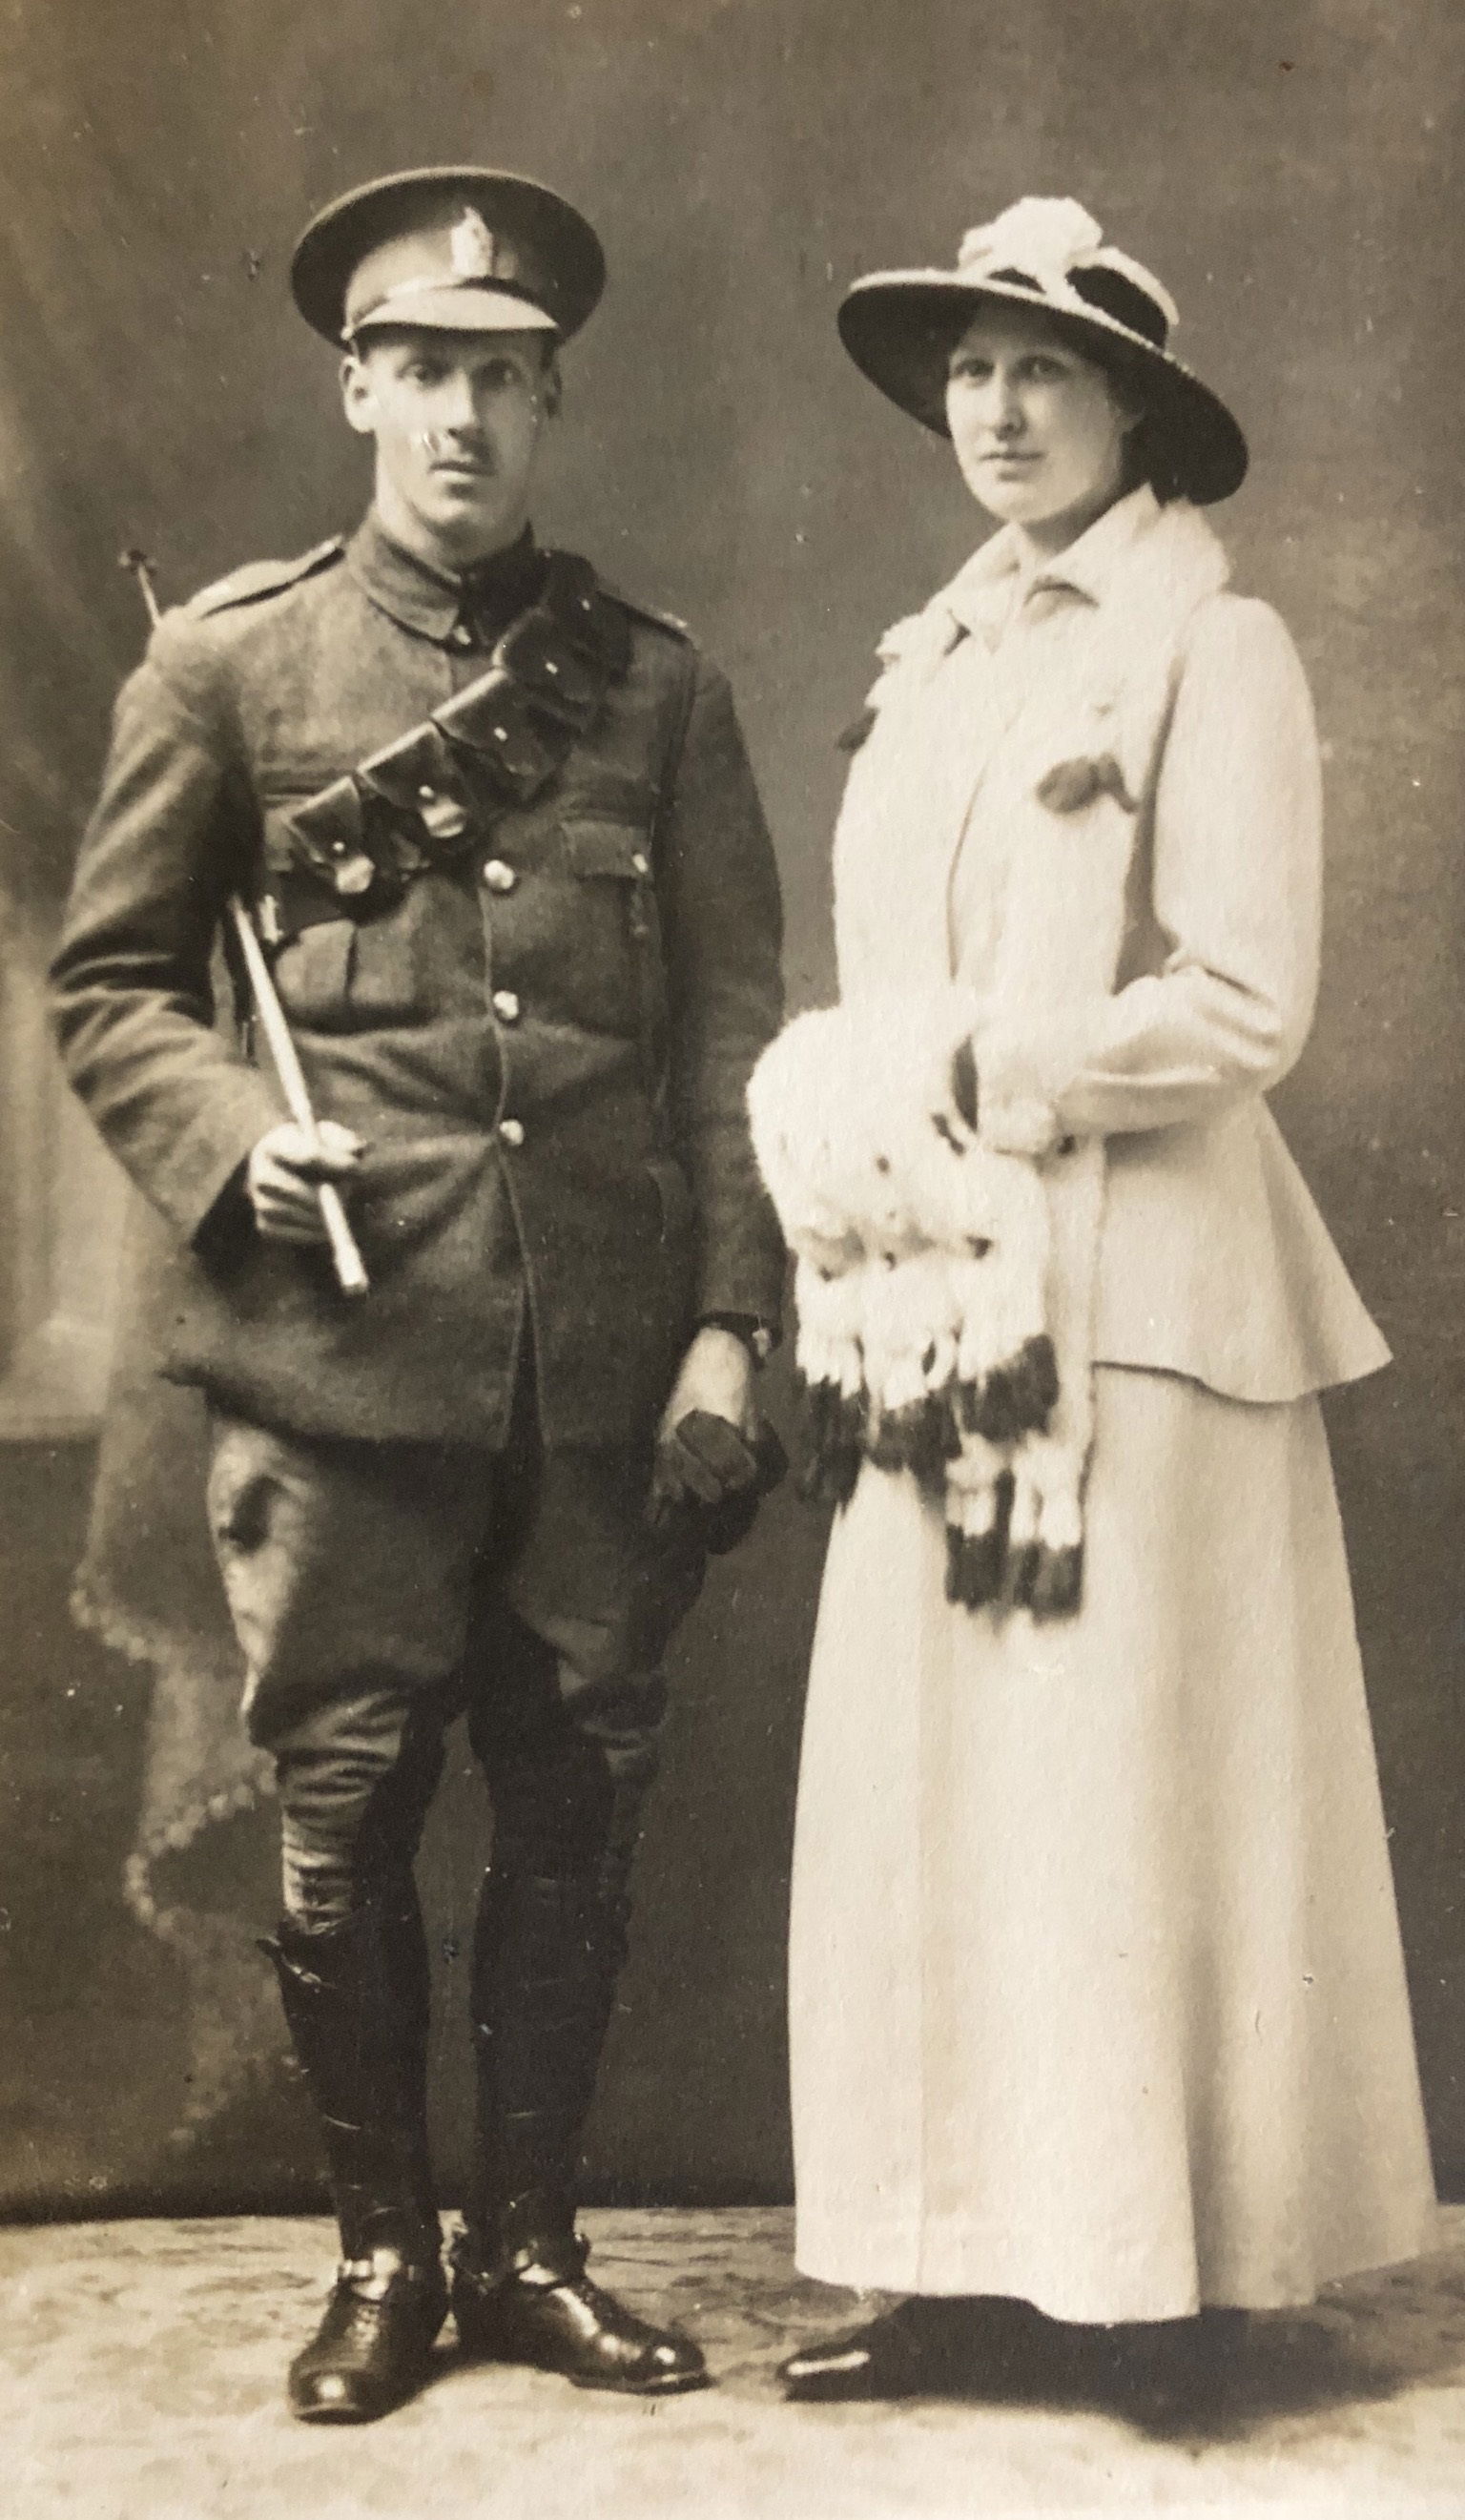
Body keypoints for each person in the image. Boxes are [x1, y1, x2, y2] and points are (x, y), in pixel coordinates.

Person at [51, 166, 785, 2422]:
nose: (463, 415)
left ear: (549, 400)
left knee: (579, 1804)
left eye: (504, 377)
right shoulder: (228, 663)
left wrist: (729, 1323)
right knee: (346, 1809)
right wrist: (219, 1138)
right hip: (336, 1361)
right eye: (424, 372)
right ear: (357, 387)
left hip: (597, 1366)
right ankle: (384, 2263)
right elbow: (111, 987)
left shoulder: (654, 688)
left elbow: (735, 1038)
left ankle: (538, 2251)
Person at [750, 196, 1436, 2397]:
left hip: (1138, 1301)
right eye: (968, 367)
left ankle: (1171, 2290)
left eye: (1042, 367)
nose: (998, 404)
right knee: (936, 1789)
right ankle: (949, 2264)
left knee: (1120, 1798)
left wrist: (995, 1073)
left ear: (1134, 404)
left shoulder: (1204, 645)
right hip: (941, 1299)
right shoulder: (931, 652)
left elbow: (1245, 997)